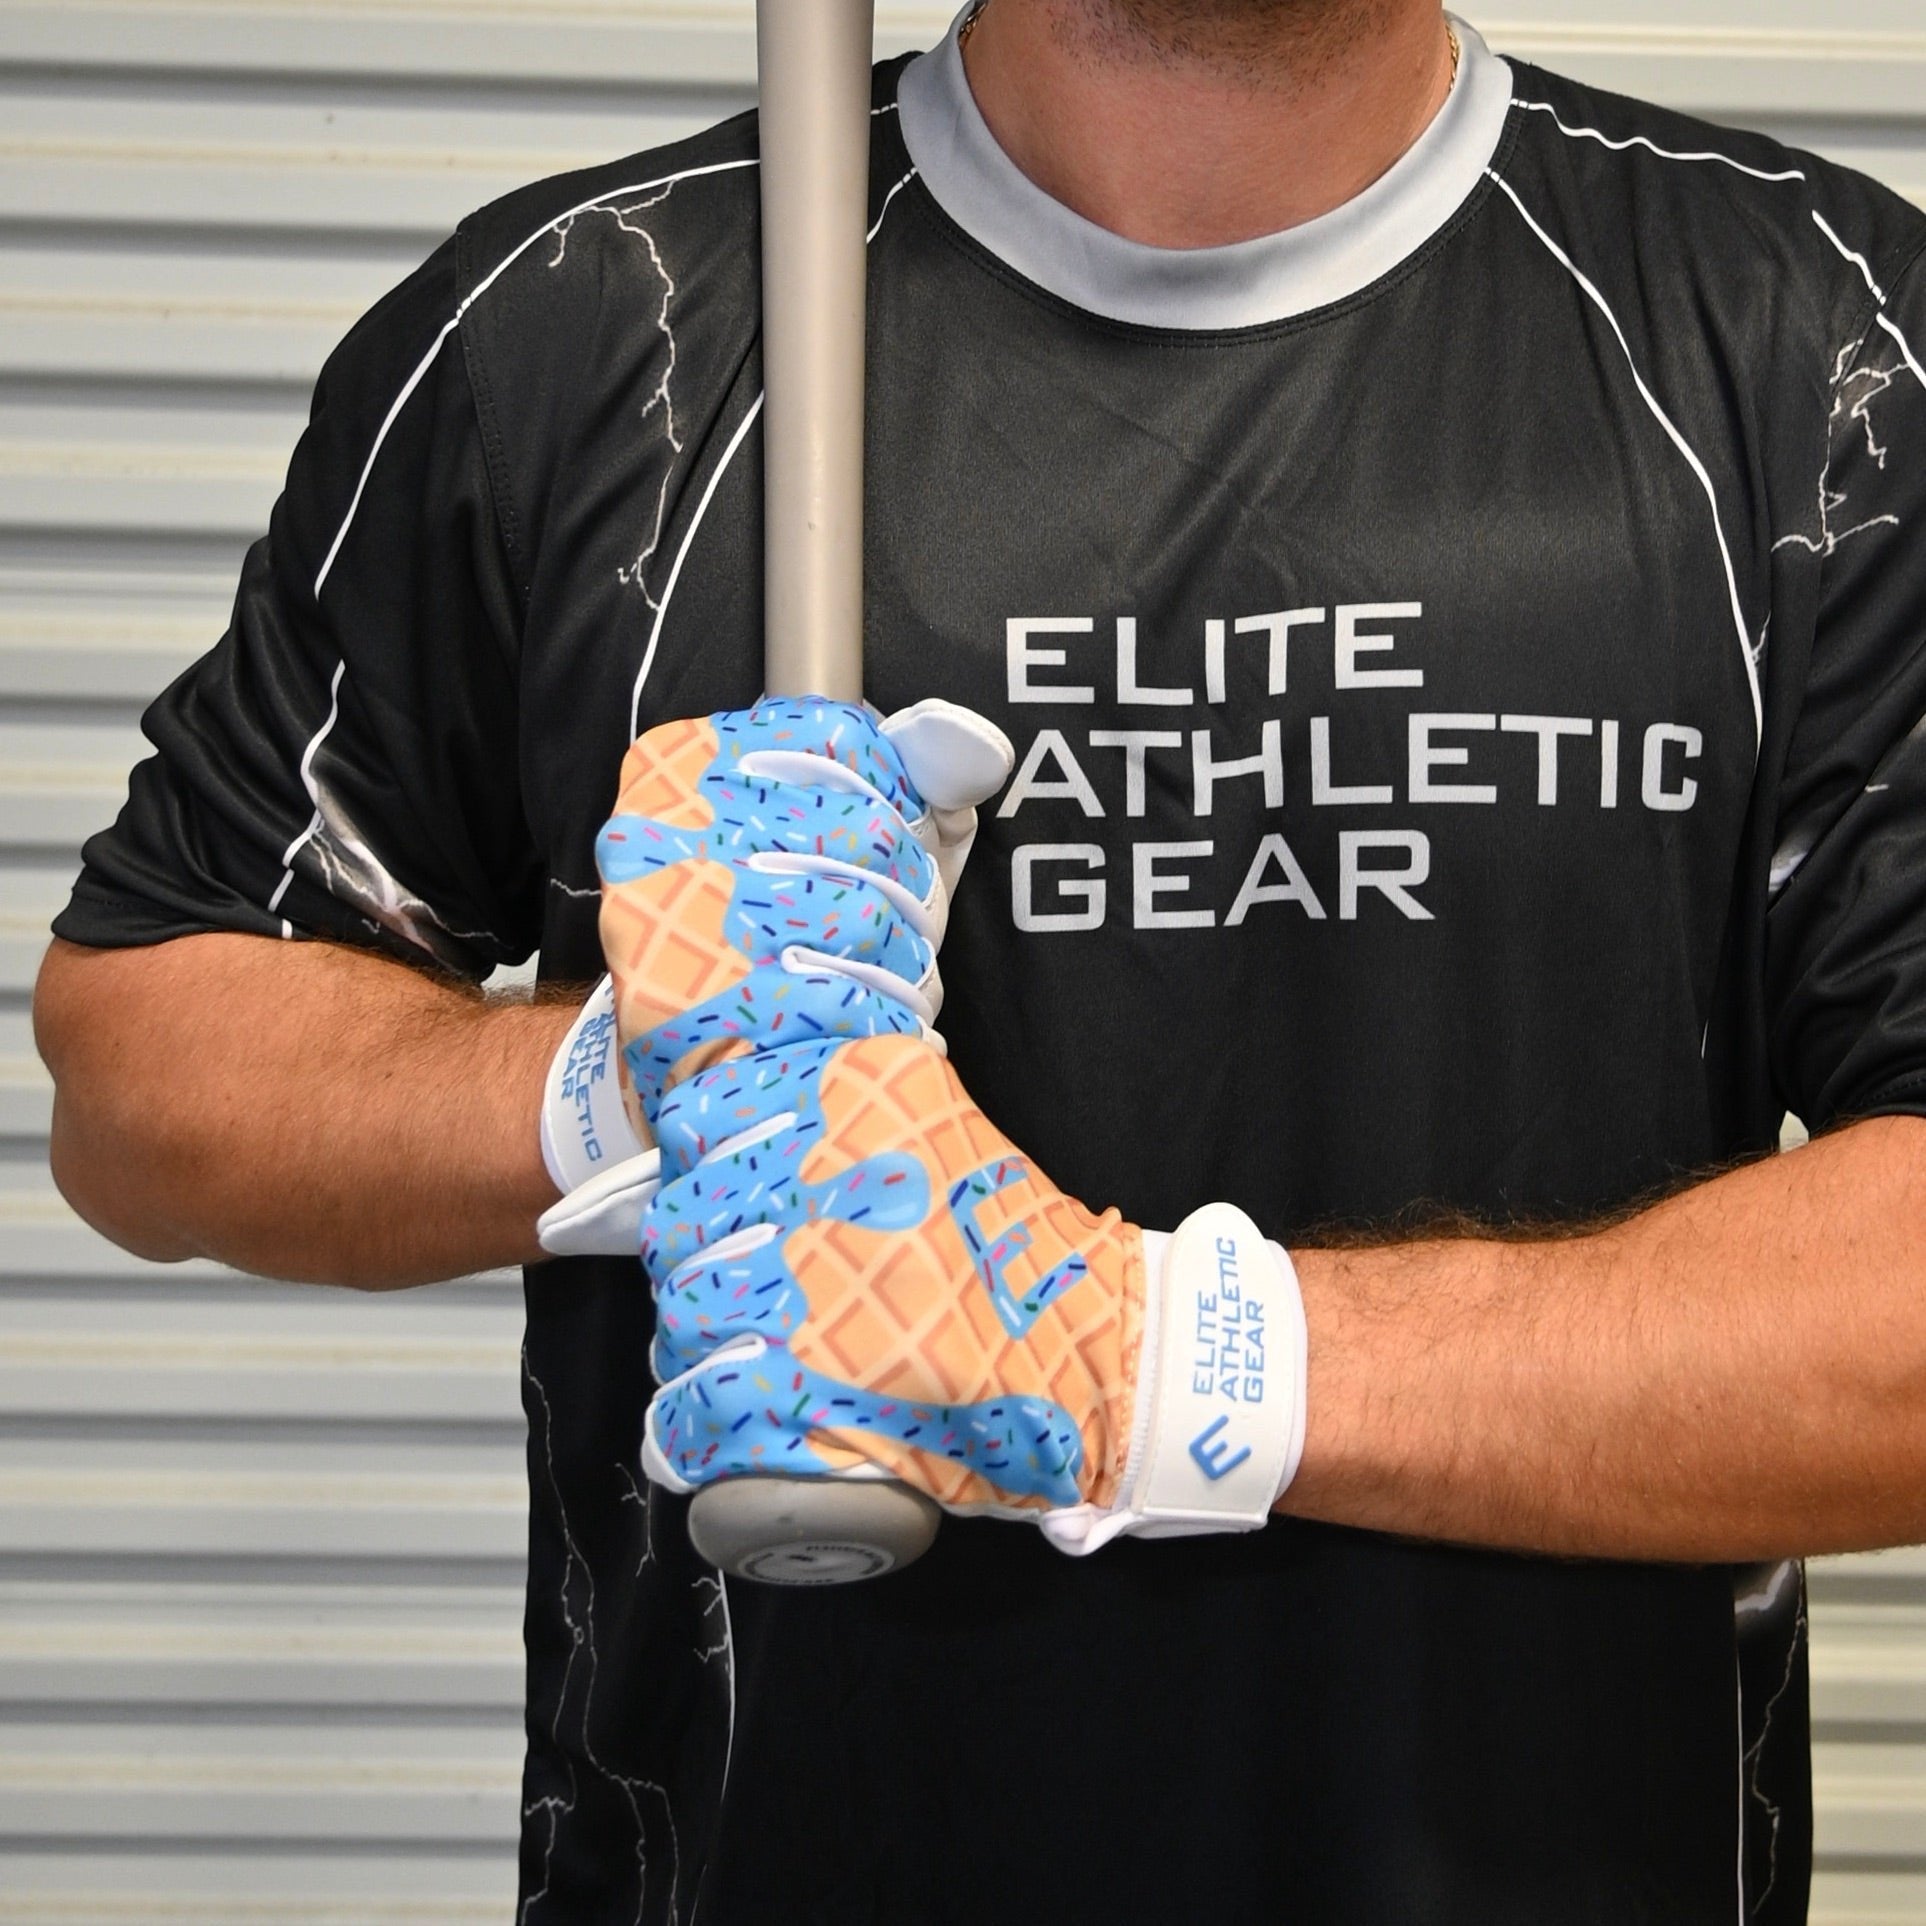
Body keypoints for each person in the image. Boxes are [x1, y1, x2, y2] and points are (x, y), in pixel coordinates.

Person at [31, 0, 1926, 1915]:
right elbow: (143, 1074)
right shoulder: (599, 329)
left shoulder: (1821, 347)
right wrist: (641, 1078)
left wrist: (1150, 1357)